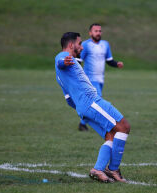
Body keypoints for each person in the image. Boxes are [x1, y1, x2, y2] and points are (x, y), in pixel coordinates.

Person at [55, 32, 130, 183]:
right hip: (91, 102)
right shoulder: (63, 58)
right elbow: (60, 60)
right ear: (71, 45)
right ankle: (113, 169)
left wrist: (81, 108)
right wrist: (65, 60)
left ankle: (98, 169)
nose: (82, 47)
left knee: (111, 135)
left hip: (84, 107)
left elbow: (69, 99)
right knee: (123, 126)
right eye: (80, 43)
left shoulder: (63, 72)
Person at [78, 23, 124, 132]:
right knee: (98, 101)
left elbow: (109, 60)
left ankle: (82, 124)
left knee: (92, 102)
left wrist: (117, 64)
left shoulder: (105, 44)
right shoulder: (85, 45)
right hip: (89, 79)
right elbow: (79, 61)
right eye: (96, 31)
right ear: (90, 33)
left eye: (100, 31)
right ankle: (105, 125)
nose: (98, 33)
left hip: (100, 79)